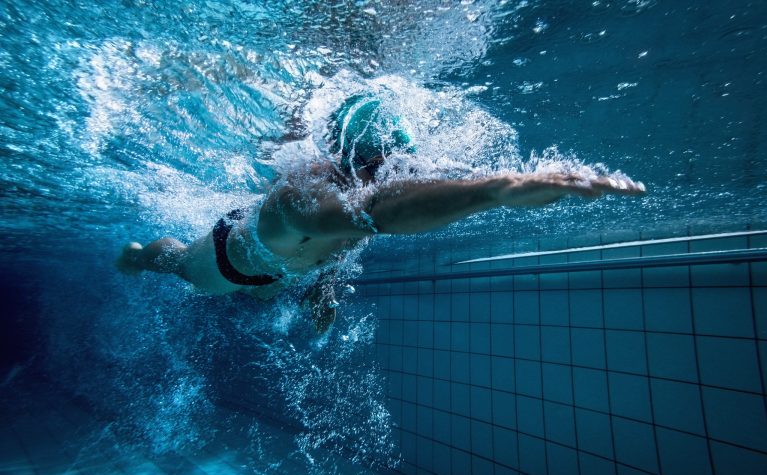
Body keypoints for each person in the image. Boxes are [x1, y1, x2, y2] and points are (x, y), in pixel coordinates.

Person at [117, 95, 645, 332]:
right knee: (177, 264)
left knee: (267, 289)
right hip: (223, 263)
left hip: (279, 269)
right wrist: (494, 190)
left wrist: (322, 291)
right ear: (355, 157)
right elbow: (370, 214)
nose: (391, 174)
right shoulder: (303, 191)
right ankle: (142, 255)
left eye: (397, 164)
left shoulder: (354, 192)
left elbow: (346, 239)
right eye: (380, 163)